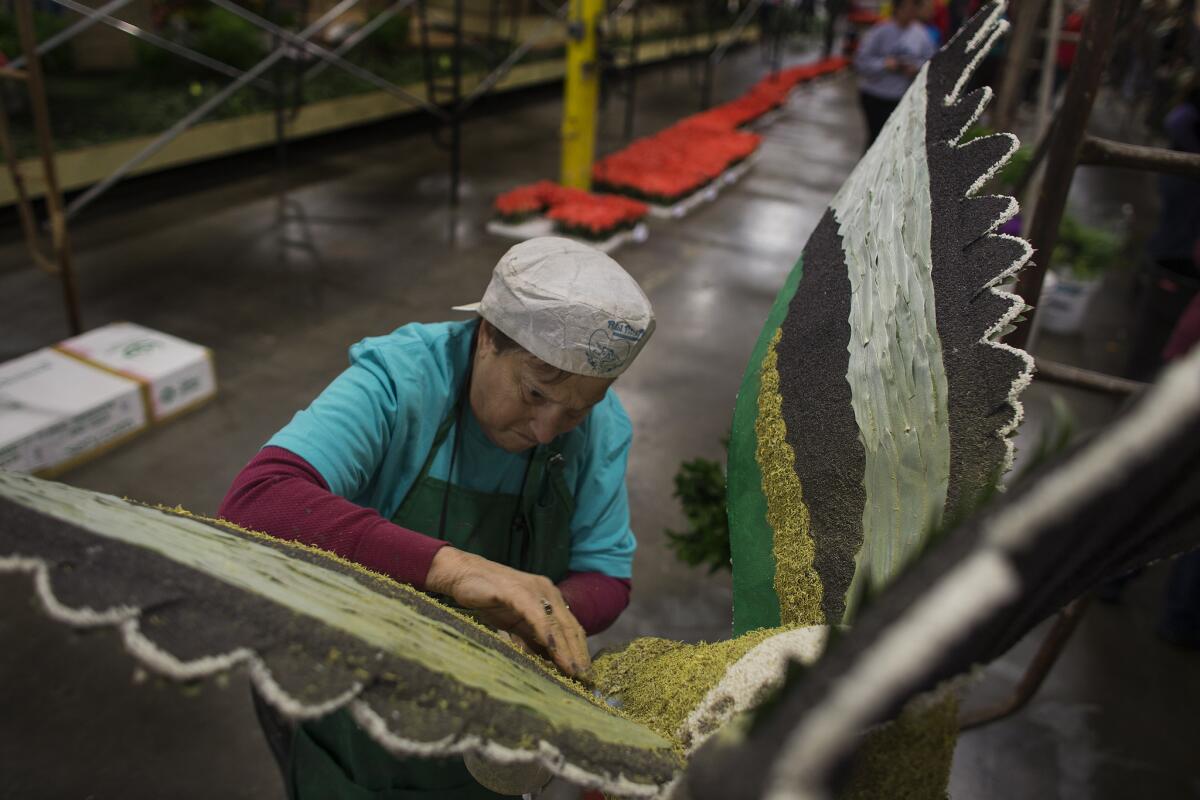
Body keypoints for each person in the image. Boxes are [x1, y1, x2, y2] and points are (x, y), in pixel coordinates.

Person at [219, 236, 655, 798]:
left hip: (483, 720)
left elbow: (606, 575)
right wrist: (455, 568)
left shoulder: (599, 430)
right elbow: (258, 499)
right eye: (534, 393)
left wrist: (537, 620)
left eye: (575, 410)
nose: (546, 430)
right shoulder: (403, 381)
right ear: (487, 337)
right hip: (349, 703)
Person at [853, 0, 937, 150]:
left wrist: (915, 68)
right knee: (874, 141)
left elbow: (931, 64)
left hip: (899, 97)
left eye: (915, 7)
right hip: (875, 94)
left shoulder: (921, 35)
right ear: (897, 8)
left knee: (889, 146)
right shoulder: (880, 31)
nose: (912, 11)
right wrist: (884, 64)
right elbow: (861, 62)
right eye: (908, 7)